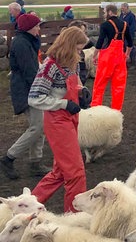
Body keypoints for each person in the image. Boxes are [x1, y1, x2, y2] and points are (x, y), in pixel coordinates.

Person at [28, 26, 89, 213]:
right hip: (57, 121)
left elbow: (72, 86)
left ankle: (28, 205)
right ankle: (74, 215)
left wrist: (82, 93)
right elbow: (34, 97)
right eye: (78, 48)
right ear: (70, 45)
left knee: (60, 172)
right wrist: (63, 104)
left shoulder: (72, 63)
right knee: (75, 173)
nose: (80, 53)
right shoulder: (50, 66)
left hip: (71, 118)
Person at [0, 14, 51, 180]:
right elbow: (29, 71)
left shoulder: (26, 41)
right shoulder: (22, 43)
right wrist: (41, 89)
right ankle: (8, 158)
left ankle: (35, 163)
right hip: (27, 89)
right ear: (29, 27)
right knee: (37, 126)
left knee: (39, 125)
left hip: (29, 88)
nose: (39, 29)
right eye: (37, 26)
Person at [91, 4, 132, 111]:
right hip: (120, 59)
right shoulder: (124, 24)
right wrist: (126, 54)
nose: (104, 14)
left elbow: (100, 42)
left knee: (99, 85)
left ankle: (95, 109)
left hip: (107, 60)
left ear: (109, 12)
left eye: (105, 12)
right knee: (119, 87)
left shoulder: (105, 25)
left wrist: (94, 56)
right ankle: (116, 111)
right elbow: (130, 43)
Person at [67, 20, 94, 84]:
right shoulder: (67, 53)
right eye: (82, 33)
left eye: (85, 33)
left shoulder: (82, 50)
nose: (84, 36)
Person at [120, 3, 136, 68]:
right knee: (124, 48)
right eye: (121, 8)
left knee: (131, 48)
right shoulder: (121, 15)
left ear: (127, 8)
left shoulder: (131, 16)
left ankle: (133, 63)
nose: (122, 9)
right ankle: (125, 64)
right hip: (122, 35)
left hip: (129, 35)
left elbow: (132, 27)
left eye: (123, 8)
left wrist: (128, 35)